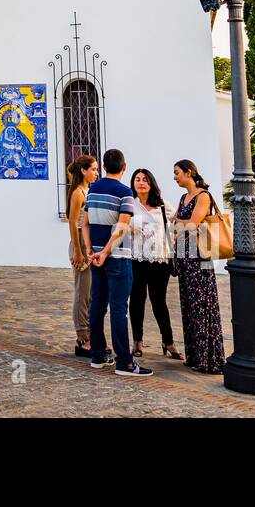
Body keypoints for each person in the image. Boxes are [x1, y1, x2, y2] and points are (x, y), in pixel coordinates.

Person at [81, 148, 152, 377]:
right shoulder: (125, 193)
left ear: (103, 167)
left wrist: (91, 249)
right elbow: (121, 227)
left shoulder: (92, 190)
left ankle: (98, 355)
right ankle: (125, 362)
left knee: (97, 306)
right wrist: (107, 251)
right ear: (124, 167)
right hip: (117, 257)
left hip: (97, 256)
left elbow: (84, 224)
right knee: (119, 309)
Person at [172, 159, 225, 374]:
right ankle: (194, 355)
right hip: (185, 257)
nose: (175, 177)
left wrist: (177, 224)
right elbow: (179, 223)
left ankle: (208, 358)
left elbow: (192, 224)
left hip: (199, 257)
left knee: (202, 304)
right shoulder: (184, 198)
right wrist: (178, 225)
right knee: (189, 306)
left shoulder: (203, 196)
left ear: (189, 172)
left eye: (177, 173)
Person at [128, 168, 182, 361]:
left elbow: (175, 223)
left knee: (159, 301)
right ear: (133, 183)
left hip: (160, 259)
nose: (141, 183)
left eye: (145, 180)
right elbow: (119, 225)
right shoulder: (129, 204)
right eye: (137, 179)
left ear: (151, 184)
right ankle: (137, 341)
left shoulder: (162, 205)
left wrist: (170, 239)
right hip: (136, 259)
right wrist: (129, 228)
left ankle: (168, 342)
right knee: (137, 300)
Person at [66, 154, 101, 359]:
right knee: (82, 292)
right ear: (83, 171)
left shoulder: (89, 190)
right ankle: (82, 337)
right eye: (94, 169)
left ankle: (88, 334)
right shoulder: (78, 193)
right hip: (79, 241)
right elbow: (72, 222)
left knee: (89, 292)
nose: (96, 173)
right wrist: (78, 250)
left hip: (88, 242)